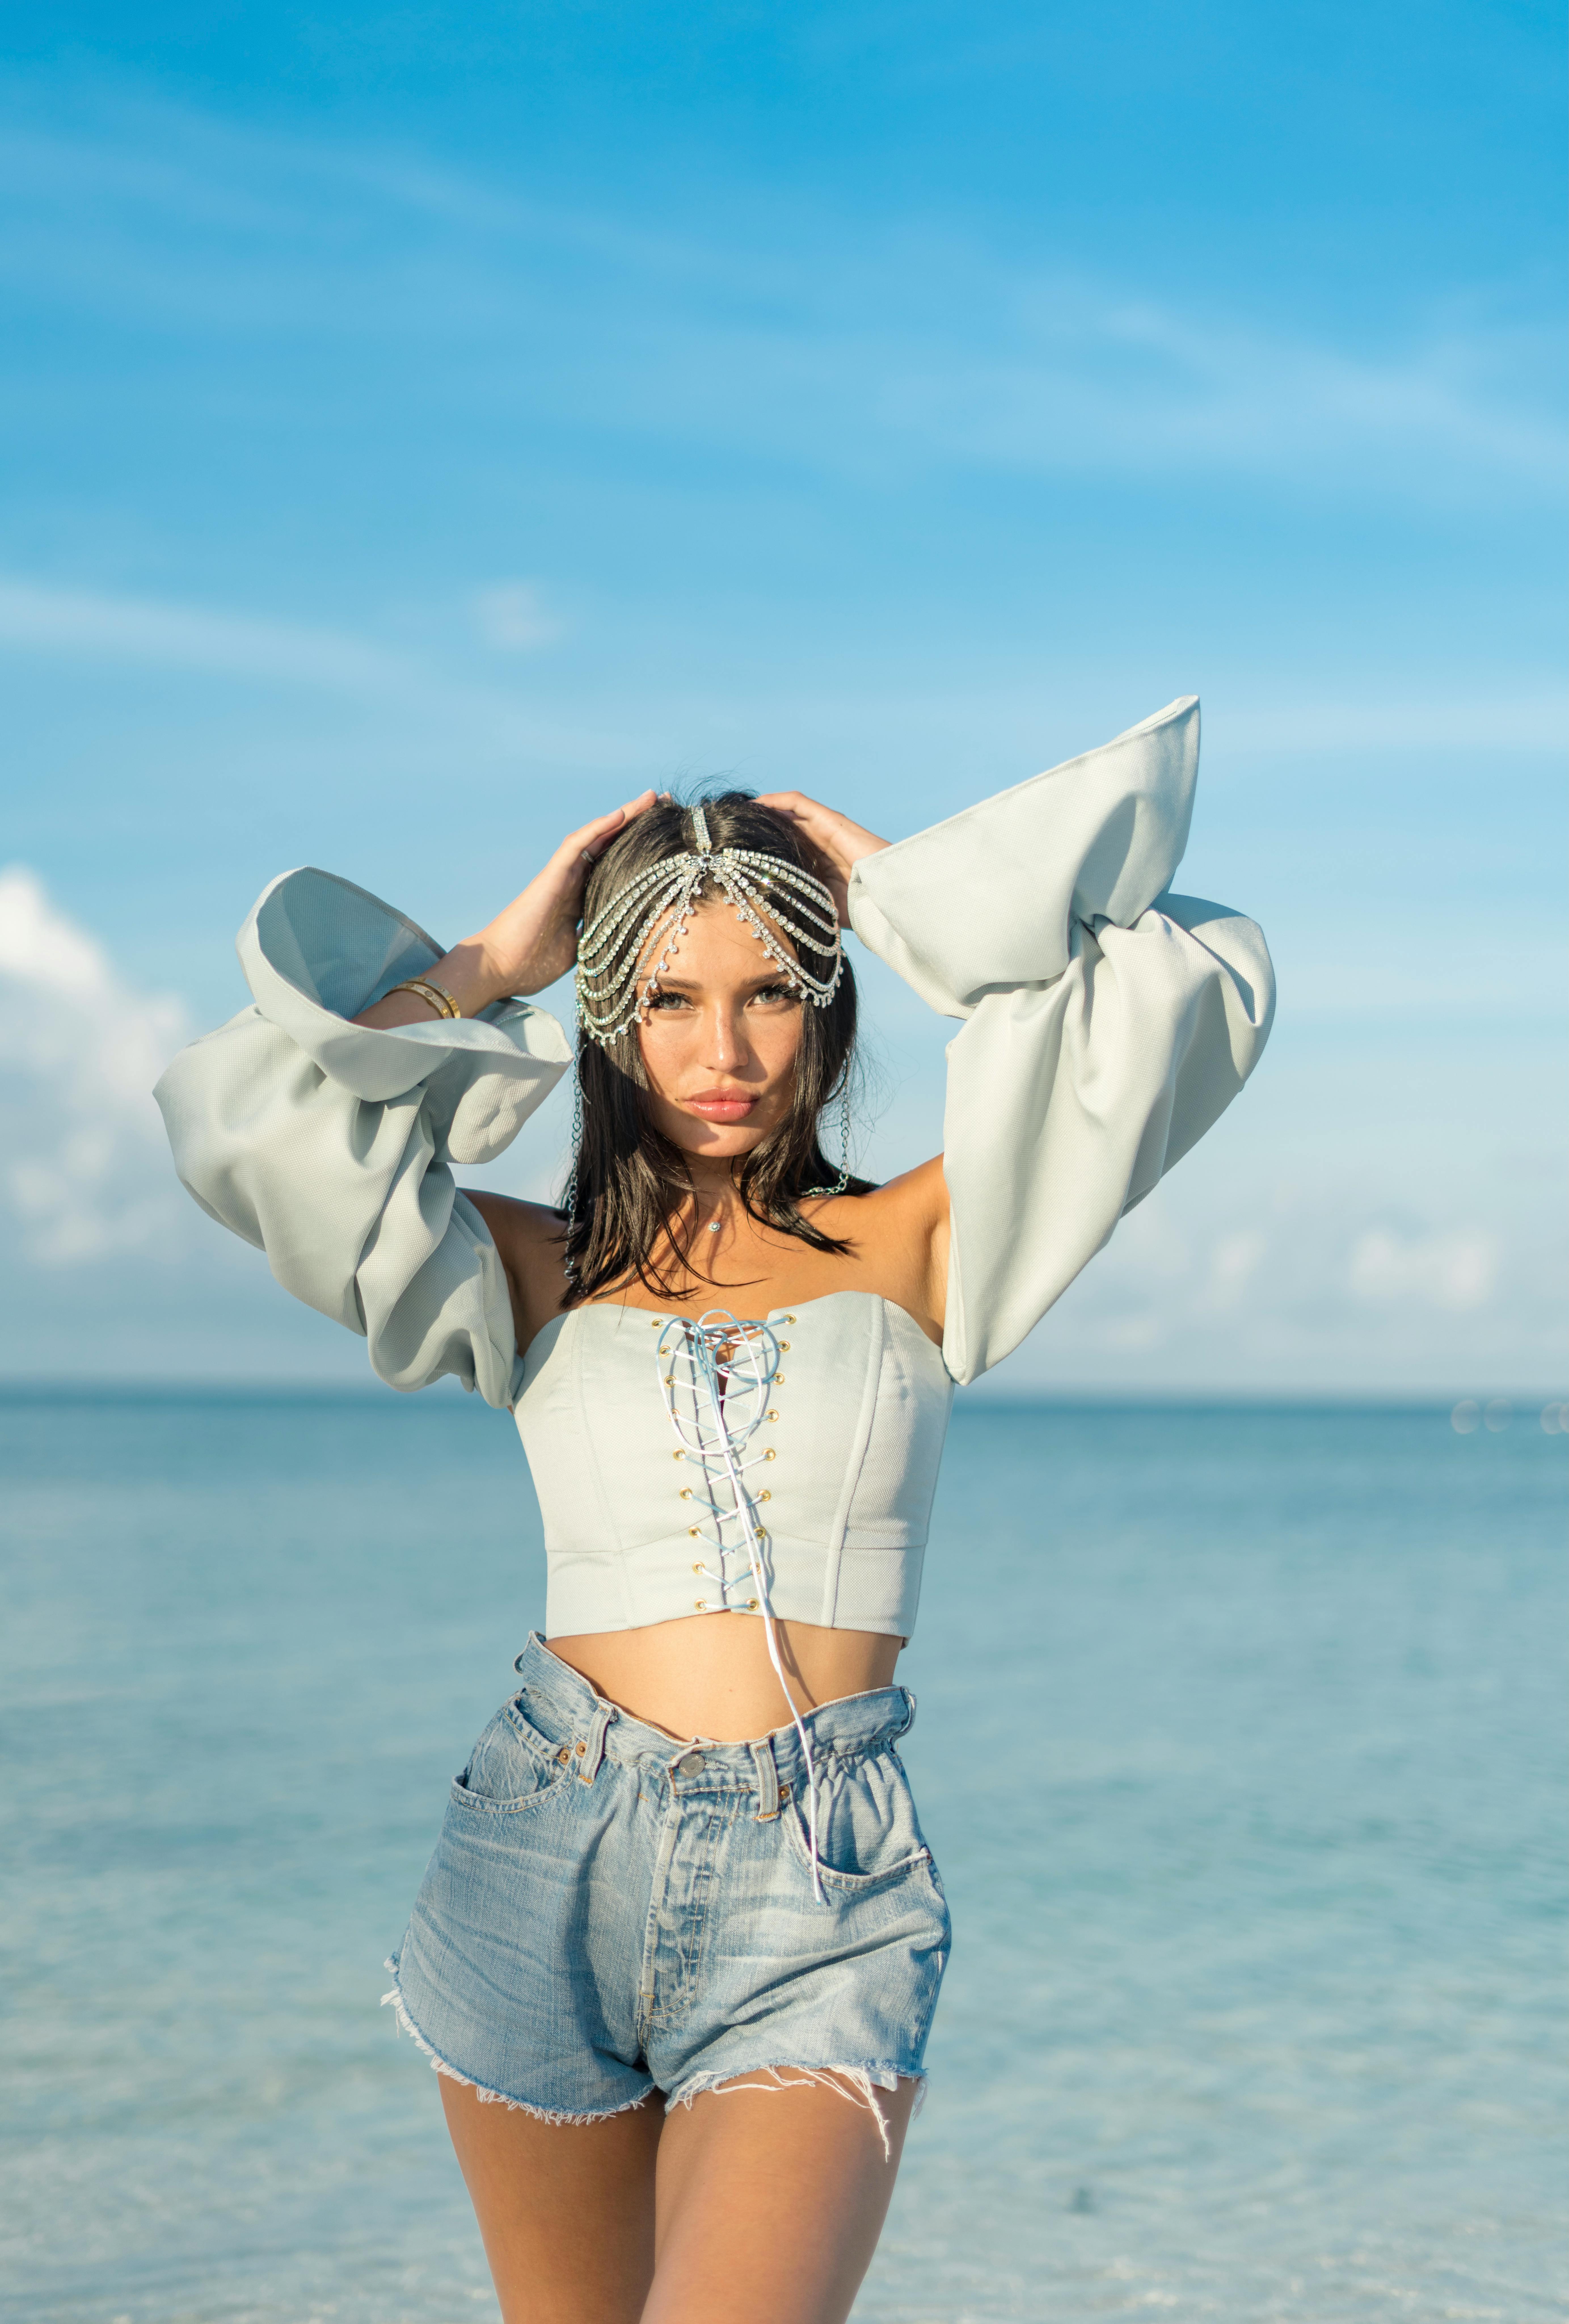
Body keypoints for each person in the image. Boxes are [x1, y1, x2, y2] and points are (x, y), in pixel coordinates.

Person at [155, 694, 1273, 2324]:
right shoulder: (530, 1270)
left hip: (821, 1886)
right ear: (610, 1019)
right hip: (538, 1850)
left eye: (772, 992)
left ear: (830, 1010)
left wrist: (913, 904)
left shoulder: (922, 1243)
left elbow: (1179, 994)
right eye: (668, 999)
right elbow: (250, 1120)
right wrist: (491, 963)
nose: (725, 1052)